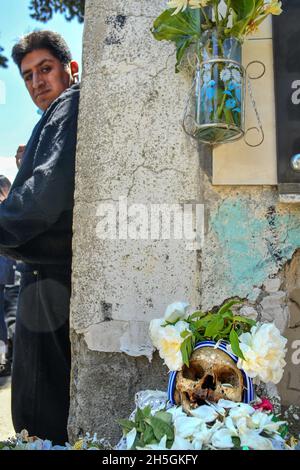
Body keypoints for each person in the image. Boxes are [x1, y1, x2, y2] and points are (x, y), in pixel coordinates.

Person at [0, 30, 80, 444]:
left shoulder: (69, 104)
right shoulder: (51, 118)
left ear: (72, 69)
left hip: (51, 290)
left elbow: (40, 202)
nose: (37, 83)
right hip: (45, 286)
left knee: (41, 417)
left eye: (45, 69)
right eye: (28, 76)